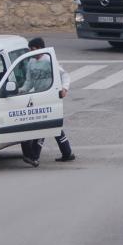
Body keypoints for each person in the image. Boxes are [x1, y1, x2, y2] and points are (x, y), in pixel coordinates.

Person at [21, 36, 75, 166]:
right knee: (54, 127)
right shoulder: (31, 63)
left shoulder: (49, 61)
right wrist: (21, 91)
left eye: (33, 49)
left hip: (50, 96)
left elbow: (64, 75)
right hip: (38, 97)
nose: (31, 52)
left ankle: (34, 156)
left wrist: (64, 89)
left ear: (40, 48)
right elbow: (29, 82)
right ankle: (67, 153)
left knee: (44, 126)